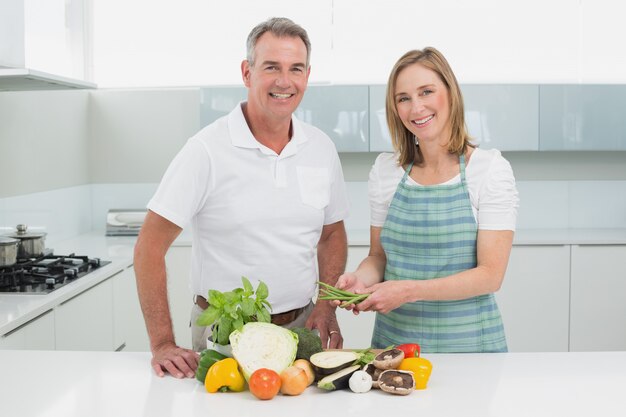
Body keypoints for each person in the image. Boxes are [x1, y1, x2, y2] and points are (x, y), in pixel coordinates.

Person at [134, 17, 350, 378]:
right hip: (224, 335)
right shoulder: (205, 150)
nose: (285, 81)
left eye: (295, 68)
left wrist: (327, 306)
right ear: (247, 72)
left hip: (300, 328)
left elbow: (332, 234)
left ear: (307, 76)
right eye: (271, 67)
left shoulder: (321, 147)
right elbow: (149, 247)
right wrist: (162, 343)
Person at [336, 47, 519, 353]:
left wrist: (408, 291)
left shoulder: (488, 170)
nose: (416, 107)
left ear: (450, 93)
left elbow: (490, 275)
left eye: (426, 92)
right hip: (394, 350)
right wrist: (359, 279)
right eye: (403, 98)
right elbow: (378, 258)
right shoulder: (386, 171)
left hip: (471, 349)